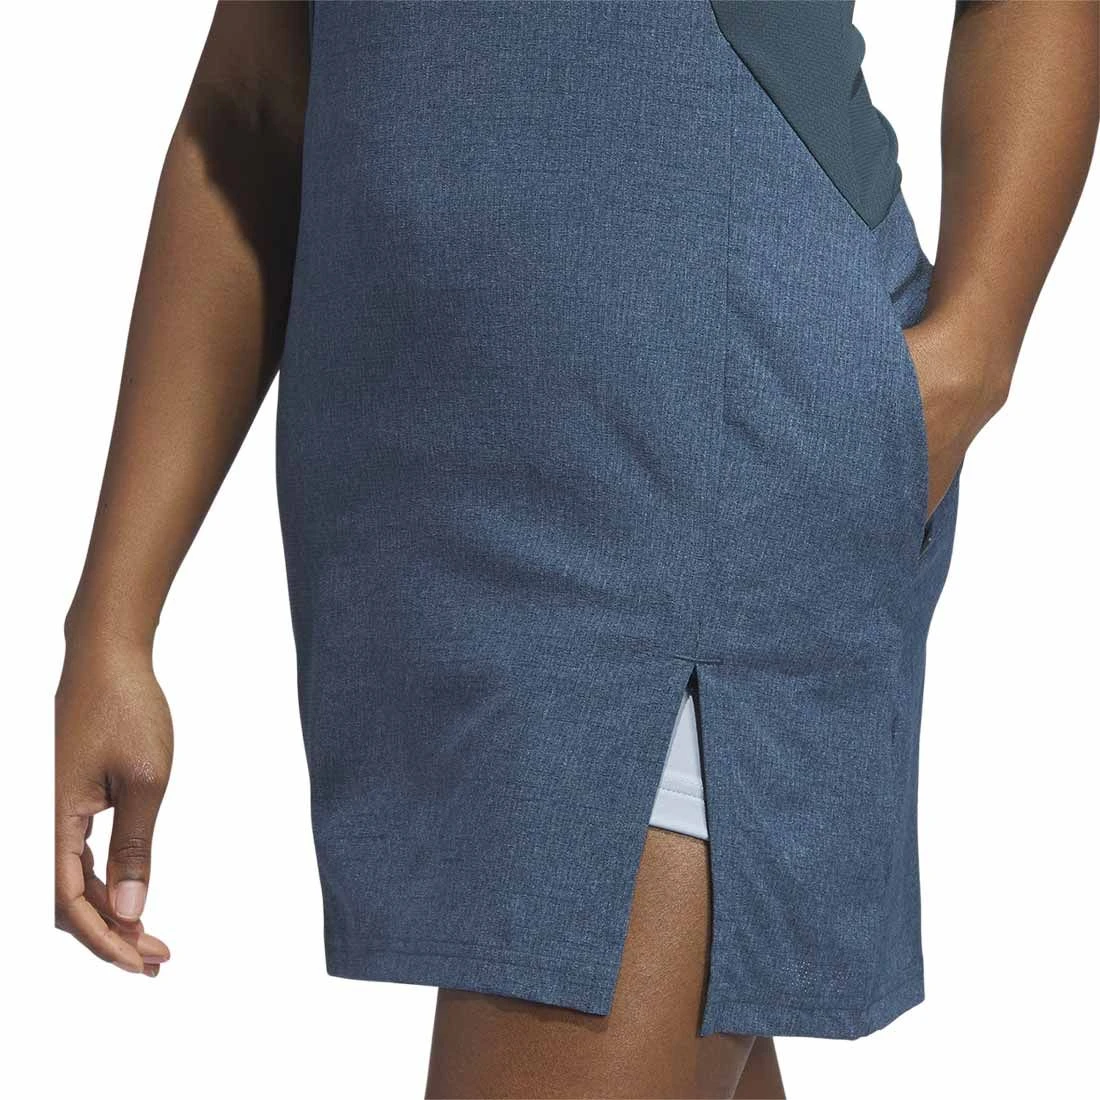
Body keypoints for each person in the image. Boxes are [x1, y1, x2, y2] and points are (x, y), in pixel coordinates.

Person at [54, 3, 1097, 1097]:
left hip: (708, 461)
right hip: (409, 539)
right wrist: (111, 621)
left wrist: (970, 353)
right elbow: (254, 110)